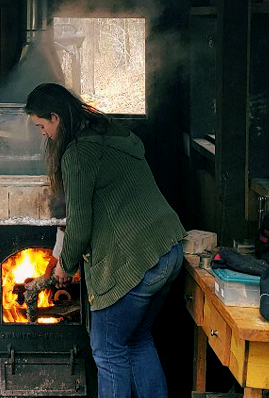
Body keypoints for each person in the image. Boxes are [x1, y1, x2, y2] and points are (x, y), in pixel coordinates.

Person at [24, 82, 186, 398]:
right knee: (139, 341)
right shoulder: (111, 132)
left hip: (133, 263)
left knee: (108, 353)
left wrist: (65, 267)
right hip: (168, 250)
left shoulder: (78, 153)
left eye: (41, 126)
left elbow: (81, 224)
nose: (42, 133)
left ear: (55, 118)